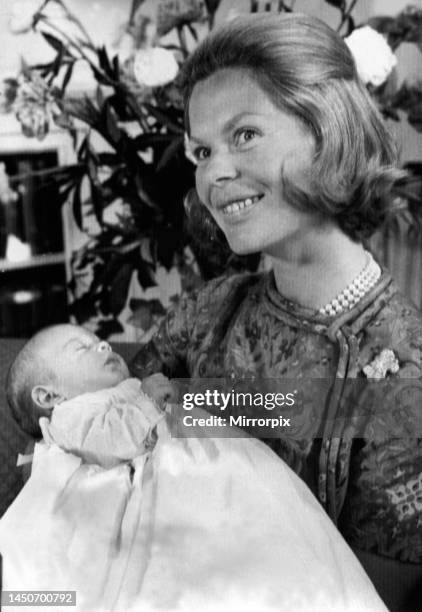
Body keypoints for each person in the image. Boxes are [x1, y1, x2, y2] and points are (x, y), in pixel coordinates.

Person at [129, 12, 422, 611]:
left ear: (327, 129)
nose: (215, 173)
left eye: (245, 135)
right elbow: (112, 435)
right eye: (201, 150)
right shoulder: (209, 309)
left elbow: (363, 599)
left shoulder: (404, 372)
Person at [1, 323, 387, 611]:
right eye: (80, 348)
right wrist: (146, 402)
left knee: (267, 519)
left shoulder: (130, 389)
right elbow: (110, 440)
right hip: (160, 476)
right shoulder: (70, 415)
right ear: (49, 396)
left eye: (97, 338)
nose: (101, 343)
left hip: (206, 455)